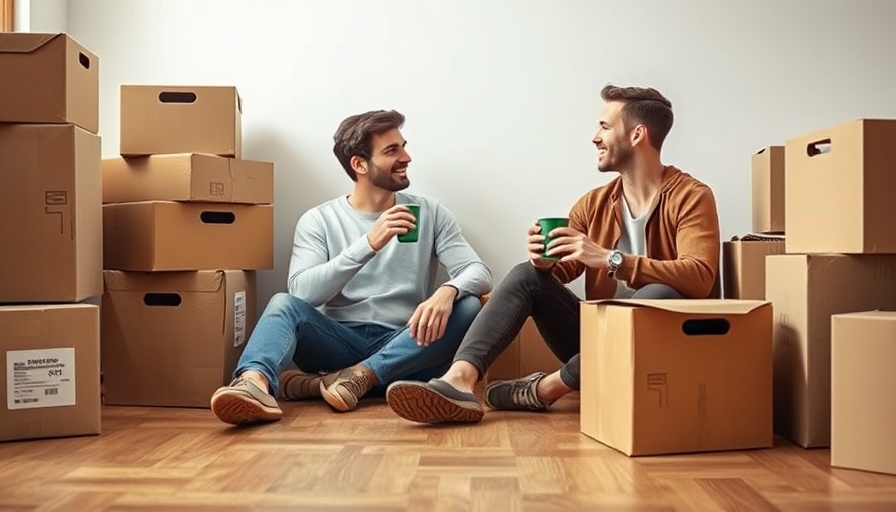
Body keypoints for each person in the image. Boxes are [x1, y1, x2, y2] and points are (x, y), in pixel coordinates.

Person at [385, 85, 720, 424]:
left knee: (657, 296)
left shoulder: (691, 196)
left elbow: (700, 276)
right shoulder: (595, 203)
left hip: (666, 350)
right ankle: (458, 380)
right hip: (597, 347)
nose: (595, 137)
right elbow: (563, 269)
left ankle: (546, 389)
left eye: (604, 126)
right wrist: (543, 262)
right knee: (525, 275)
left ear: (637, 134)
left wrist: (610, 259)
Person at [210, 109, 493, 425]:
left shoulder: (429, 213)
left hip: (409, 344)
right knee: (283, 305)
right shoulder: (319, 220)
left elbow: (479, 272)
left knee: (469, 304)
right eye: (392, 150)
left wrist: (447, 290)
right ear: (359, 164)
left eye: (403, 146)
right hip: (339, 341)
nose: (406, 156)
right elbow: (302, 292)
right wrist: (368, 244)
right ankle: (254, 384)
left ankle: (346, 380)